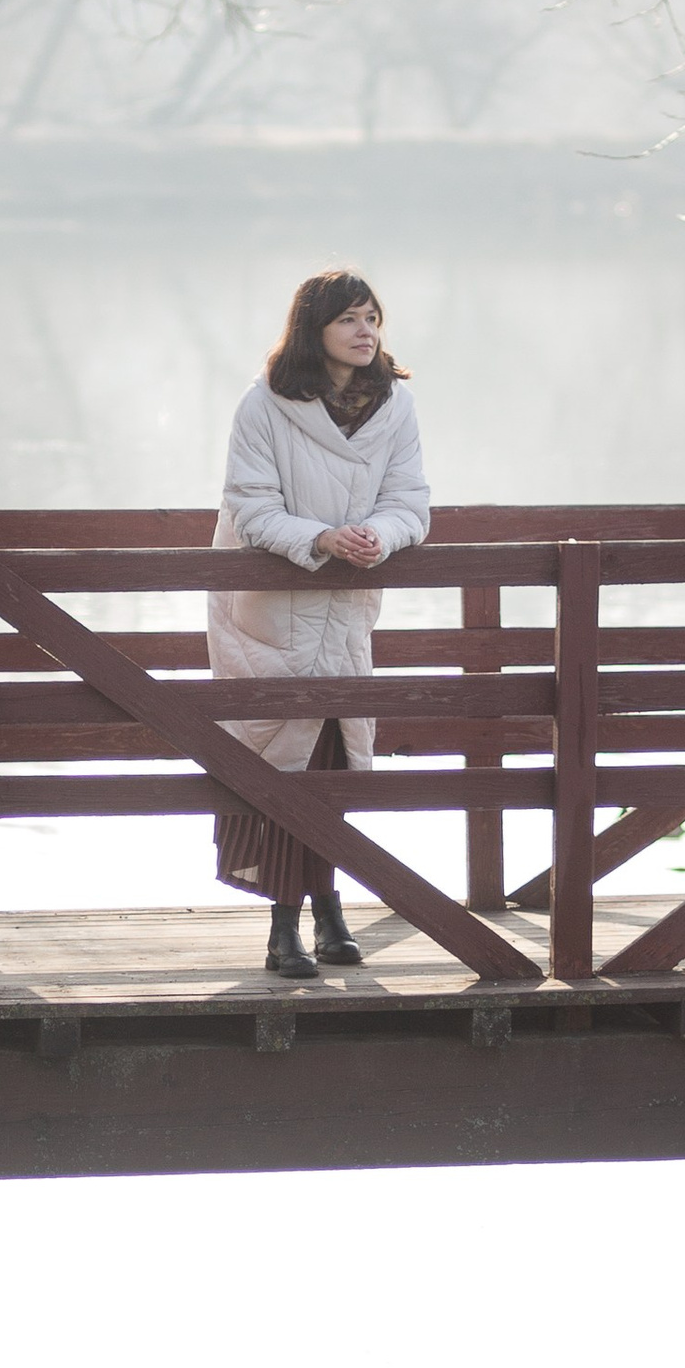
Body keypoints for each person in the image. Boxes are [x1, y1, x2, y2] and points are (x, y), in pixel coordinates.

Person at [207, 269, 432, 981]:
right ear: (316, 329)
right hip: (272, 605)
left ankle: (330, 907)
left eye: (373, 319)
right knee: (278, 755)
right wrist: (323, 538)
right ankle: (282, 926)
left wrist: (379, 535)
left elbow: (411, 501)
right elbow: (250, 506)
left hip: (344, 606)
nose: (367, 333)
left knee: (332, 752)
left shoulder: (395, 406)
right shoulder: (265, 405)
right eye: (350, 321)